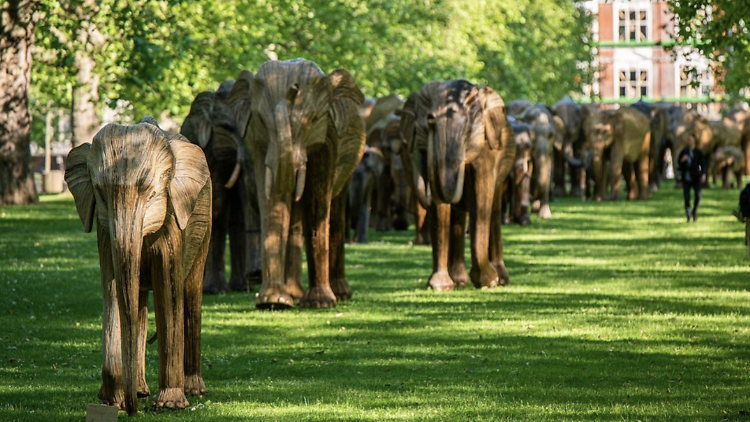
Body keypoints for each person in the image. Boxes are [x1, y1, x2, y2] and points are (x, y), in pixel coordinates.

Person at [678, 134, 707, 222]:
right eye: (688, 139)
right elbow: (678, 163)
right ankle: (688, 214)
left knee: (698, 196)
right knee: (687, 197)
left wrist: (703, 174)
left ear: (694, 140)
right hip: (686, 178)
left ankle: (694, 211)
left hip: (695, 177)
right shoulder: (684, 151)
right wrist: (682, 160)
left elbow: (703, 164)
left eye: (691, 139)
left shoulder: (698, 152)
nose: (689, 141)